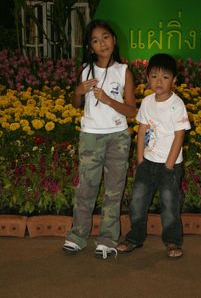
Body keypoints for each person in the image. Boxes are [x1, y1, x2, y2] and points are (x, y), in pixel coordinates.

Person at [63, 19, 136, 259]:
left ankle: (107, 239)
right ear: (90, 47)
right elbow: (76, 104)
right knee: (86, 189)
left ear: (114, 40)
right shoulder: (85, 69)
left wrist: (108, 100)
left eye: (105, 37)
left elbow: (131, 111)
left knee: (114, 191)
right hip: (91, 137)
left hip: (118, 137)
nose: (101, 43)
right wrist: (78, 91)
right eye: (95, 40)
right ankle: (78, 236)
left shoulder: (124, 72)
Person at [116, 53, 191, 259]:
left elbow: (179, 137)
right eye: (155, 76)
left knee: (169, 205)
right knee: (138, 202)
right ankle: (134, 238)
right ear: (148, 77)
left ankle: (172, 241)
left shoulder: (177, 105)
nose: (159, 81)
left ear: (174, 80)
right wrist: (140, 159)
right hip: (147, 163)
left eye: (165, 77)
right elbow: (142, 130)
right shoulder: (148, 101)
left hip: (169, 166)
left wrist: (168, 165)